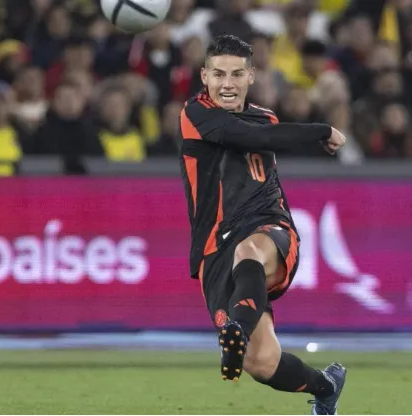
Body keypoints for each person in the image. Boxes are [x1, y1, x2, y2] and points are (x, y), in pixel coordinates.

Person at [177, 35, 347, 415]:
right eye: (218, 74)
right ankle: (327, 386)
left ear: (251, 76)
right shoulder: (194, 114)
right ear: (204, 75)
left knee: (249, 250)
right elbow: (249, 137)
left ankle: (235, 328)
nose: (227, 83)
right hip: (214, 251)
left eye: (237, 74)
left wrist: (314, 130)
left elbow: (262, 133)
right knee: (262, 362)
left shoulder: (264, 116)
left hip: (270, 229)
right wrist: (320, 131)